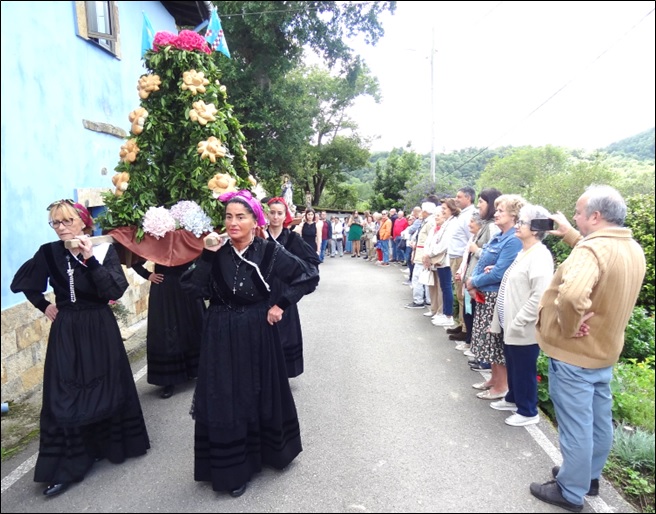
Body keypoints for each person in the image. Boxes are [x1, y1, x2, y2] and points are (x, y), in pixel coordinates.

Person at [180, 190, 320, 497]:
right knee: (225, 396)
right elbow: (192, 289)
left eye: (240, 216)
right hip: (219, 333)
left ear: (255, 220)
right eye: (228, 216)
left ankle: (266, 454)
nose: (232, 222)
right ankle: (233, 467)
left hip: (256, 331)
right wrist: (206, 254)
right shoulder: (216, 250)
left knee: (253, 393)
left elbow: (308, 275)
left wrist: (281, 304)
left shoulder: (268, 251)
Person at [10, 199, 150, 497]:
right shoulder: (49, 252)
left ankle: (106, 444)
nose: (61, 228)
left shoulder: (102, 249)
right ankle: (67, 465)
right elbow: (25, 282)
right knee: (65, 391)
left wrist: (90, 259)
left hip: (99, 326)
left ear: (84, 222)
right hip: (68, 330)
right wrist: (43, 306)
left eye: (67, 221)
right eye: (55, 223)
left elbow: (114, 290)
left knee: (105, 385)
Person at [529, 185, 646, 513]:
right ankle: (587, 476)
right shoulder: (631, 247)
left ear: (595, 216)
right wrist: (570, 235)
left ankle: (569, 490)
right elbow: (600, 264)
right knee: (597, 420)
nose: (574, 217)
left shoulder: (591, 250)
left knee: (575, 423)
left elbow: (571, 295)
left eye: (578, 213)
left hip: (574, 353)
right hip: (604, 350)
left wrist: (568, 326)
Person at [488, 204, 554, 426]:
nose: (517, 226)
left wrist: (519, 321)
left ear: (535, 229)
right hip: (512, 323)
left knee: (524, 368)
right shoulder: (524, 252)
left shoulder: (540, 256)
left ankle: (527, 411)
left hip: (523, 325)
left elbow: (540, 295)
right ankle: (513, 398)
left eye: (522, 222)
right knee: (514, 363)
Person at [465, 194, 525, 397]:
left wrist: (474, 281)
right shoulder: (499, 235)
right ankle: (494, 379)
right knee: (488, 341)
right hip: (485, 294)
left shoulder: (513, 240)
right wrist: (474, 281)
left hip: (495, 296)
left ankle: (502, 386)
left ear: (514, 215)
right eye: (497, 209)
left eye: (501, 211)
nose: (496, 213)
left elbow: (499, 272)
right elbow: (484, 264)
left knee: (495, 341)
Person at [131, 259, 205, 398]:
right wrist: (146, 274)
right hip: (164, 287)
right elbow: (134, 254)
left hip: (188, 283)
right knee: (166, 329)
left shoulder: (187, 236)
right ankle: (168, 379)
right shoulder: (154, 236)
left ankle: (197, 370)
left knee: (193, 325)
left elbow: (201, 251)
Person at [265, 197, 320, 377]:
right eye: (272, 212)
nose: (275, 217)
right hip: (261, 290)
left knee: (284, 332)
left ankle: (282, 373)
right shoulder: (259, 235)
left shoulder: (292, 238)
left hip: (283, 291)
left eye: (279, 213)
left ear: (285, 216)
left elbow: (311, 262)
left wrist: (295, 278)